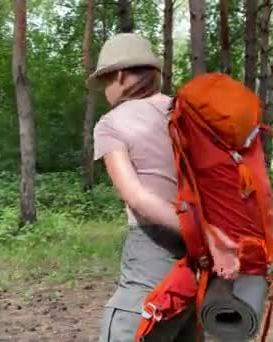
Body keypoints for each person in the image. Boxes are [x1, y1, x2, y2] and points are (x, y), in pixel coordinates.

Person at [89, 33, 203, 341]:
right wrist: (208, 236)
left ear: (121, 75)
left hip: (153, 256)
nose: (105, 90)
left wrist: (194, 229)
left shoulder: (111, 124)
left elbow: (137, 198)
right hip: (202, 268)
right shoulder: (189, 114)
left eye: (105, 81)